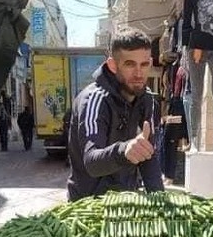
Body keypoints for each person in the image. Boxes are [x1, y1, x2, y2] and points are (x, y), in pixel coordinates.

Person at [67, 27, 164, 201]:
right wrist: (124, 150)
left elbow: (148, 156)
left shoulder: (147, 99)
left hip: (125, 203)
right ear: (113, 65)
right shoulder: (94, 100)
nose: (139, 73)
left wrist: (161, 201)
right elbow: (91, 162)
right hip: (88, 206)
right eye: (129, 64)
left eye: (144, 64)